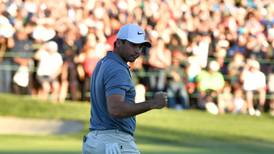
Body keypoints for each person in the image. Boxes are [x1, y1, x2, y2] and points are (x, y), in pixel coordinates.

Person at [82, 24, 167, 154]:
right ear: (118, 43)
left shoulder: (104, 62)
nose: (138, 51)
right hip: (114, 142)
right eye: (133, 45)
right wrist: (153, 103)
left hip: (95, 140)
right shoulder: (117, 68)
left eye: (140, 46)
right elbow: (116, 109)